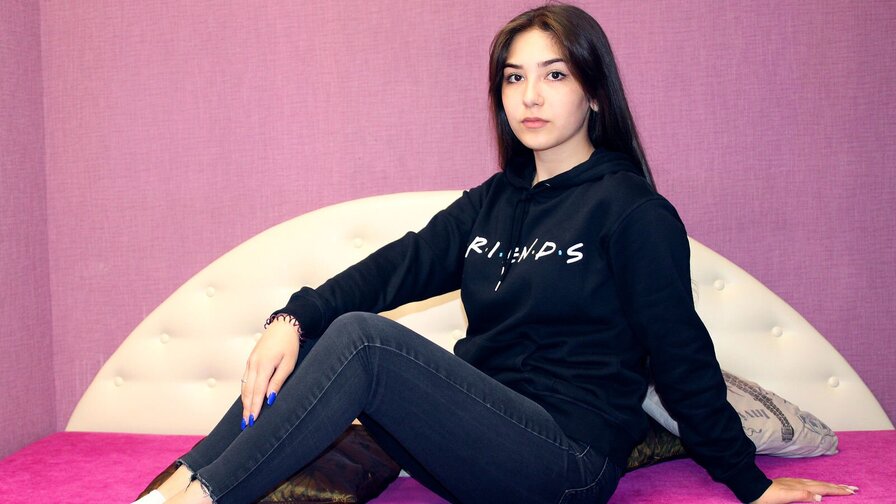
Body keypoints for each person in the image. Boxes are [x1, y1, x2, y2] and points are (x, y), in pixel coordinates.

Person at [136, 4, 858, 504]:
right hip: (479, 447)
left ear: (594, 93)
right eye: (514, 77)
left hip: (566, 464)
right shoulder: (493, 201)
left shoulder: (632, 212)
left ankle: (203, 498)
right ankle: (176, 488)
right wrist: (291, 318)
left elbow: (682, 356)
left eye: (554, 74)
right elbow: (395, 267)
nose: (530, 96)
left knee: (362, 339)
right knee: (323, 325)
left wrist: (750, 484)